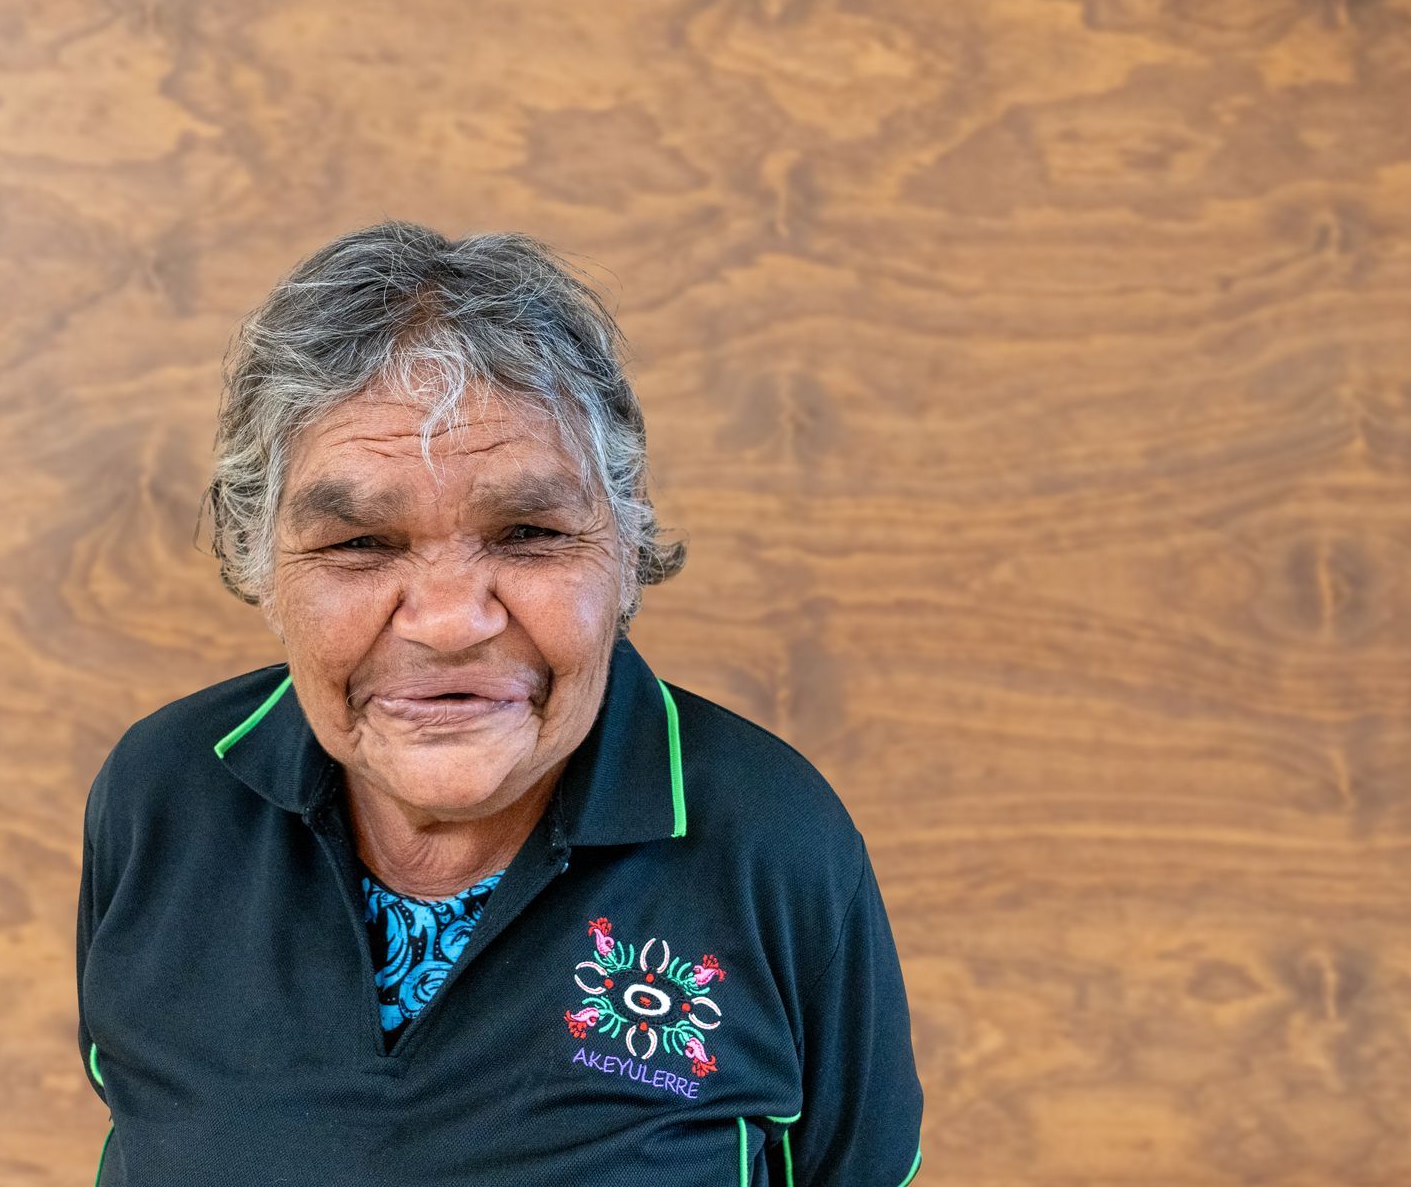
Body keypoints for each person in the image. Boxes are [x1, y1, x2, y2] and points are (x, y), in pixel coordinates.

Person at [75, 220, 924, 1185]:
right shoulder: (162, 799)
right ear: (258, 561)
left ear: (626, 545)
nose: (448, 622)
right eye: (359, 545)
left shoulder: (772, 840)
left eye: (528, 534)